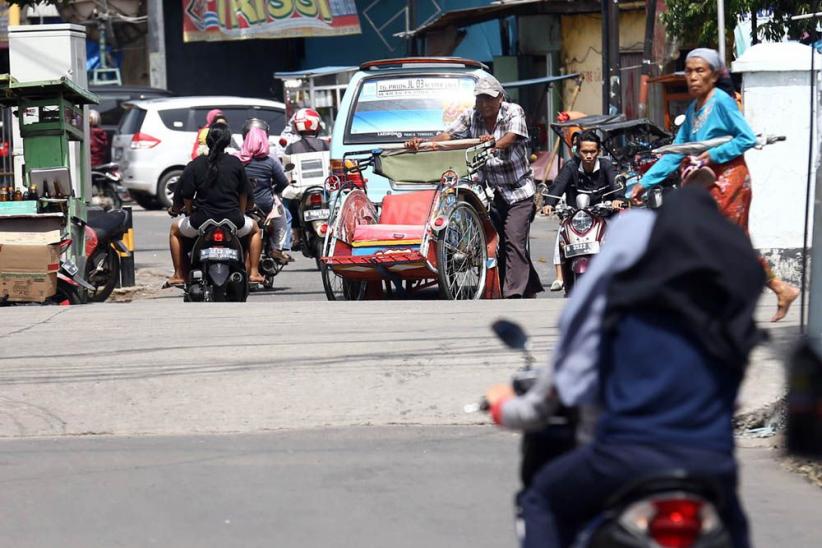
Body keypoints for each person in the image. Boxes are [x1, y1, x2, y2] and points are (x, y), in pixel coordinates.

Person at [486, 187, 763, 548]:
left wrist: (505, 408)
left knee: (541, 499)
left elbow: (567, 384)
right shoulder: (728, 323)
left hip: (621, 459)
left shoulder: (622, 308)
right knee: (735, 528)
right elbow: (733, 401)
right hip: (711, 467)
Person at [631, 47, 798, 322]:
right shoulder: (694, 108)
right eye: (689, 71)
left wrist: (713, 154)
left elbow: (745, 138)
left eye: (700, 71)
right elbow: (678, 151)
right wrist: (644, 182)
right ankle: (778, 289)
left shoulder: (721, 101)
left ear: (713, 75)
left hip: (730, 178)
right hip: (707, 180)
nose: (693, 77)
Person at [405, 75, 543, 298]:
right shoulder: (471, 116)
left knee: (513, 238)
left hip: (519, 191)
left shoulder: (513, 111)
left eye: (489, 99)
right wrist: (425, 143)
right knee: (498, 241)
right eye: (480, 99)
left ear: (500, 98)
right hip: (490, 192)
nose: (485, 104)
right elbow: (448, 134)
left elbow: (512, 136)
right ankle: (528, 286)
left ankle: (513, 293)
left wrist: (491, 144)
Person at [168, 123, 264, 285]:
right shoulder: (235, 163)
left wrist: (188, 211)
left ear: (208, 141)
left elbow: (186, 195)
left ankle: (178, 274)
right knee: (255, 229)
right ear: (227, 142)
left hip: (201, 222)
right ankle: (254, 272)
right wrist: (240, 213)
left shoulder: (195, 165)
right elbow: (245, 194)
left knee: (175, 230)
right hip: (233, 221)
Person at [541, 130, 624, 291]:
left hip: (603, 215)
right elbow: (558, 186)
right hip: (576, 217)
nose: (589, 155)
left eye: (593, 151)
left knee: (619, 234)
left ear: (599, 152)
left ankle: (619, 272)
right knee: (562, 232)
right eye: (585, 151)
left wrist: (618, 200)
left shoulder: (606, 166)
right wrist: (549, 203)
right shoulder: (570, 167)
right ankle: (559, 277)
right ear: (578, 151)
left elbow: (617, 186)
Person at [238, 126, 293, 263]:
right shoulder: (270, 162)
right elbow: (283, 182)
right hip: (265, 205)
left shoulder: (238, 161)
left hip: (241, 205)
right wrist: (275, 191)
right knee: (282, 218)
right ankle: (277, 248)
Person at [283, 108, 329, 250]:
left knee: (289, 202)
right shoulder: (324, 144)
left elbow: (287, 171)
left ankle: (295, 236)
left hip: (301, 189)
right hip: (324, 187)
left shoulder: (291, 148)